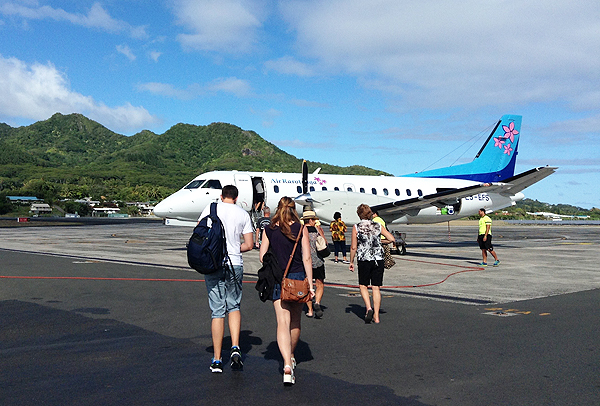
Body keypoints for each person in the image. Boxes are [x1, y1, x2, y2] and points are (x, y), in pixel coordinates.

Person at [197, 185, 254, 373]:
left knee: (217, 311)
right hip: (234, 263)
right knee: (234, 305)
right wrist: (234, 248)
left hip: (214, 262)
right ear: (236, 198)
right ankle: (236, 347)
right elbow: (249, 244)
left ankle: (217, 358)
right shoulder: (243, 214)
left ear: (222, 196)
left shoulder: (210, 208)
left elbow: (200, 232)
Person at [259, 197, 314, 385]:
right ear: (294, 210)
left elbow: (261, 256)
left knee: (282, 321)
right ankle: (291, 355)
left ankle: (286, 365)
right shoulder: (301, 229)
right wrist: (311, 285)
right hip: (298, 278)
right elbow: (307, 258)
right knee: (296, 321)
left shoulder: (270, 229)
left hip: (277, 278)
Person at [349, 204, 395, 324]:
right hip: (378, 258)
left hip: (364, 259)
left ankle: (368, 307)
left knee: (363, 285)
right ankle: (376, 316)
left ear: (359, 215)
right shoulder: (378, 225)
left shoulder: (357, 227)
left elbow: (354, 246)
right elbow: (391, 239)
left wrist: (351, 261)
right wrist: (380, 240)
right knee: (376, 287)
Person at [301, 210, 326, 319]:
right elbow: (324, 243)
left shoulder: (301, 230)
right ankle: (318, 302)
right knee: (320, 283)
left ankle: (310, 310)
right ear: (311, 220)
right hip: (318, 260)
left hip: (306, 261)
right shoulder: (317, 230)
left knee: (307, 285)